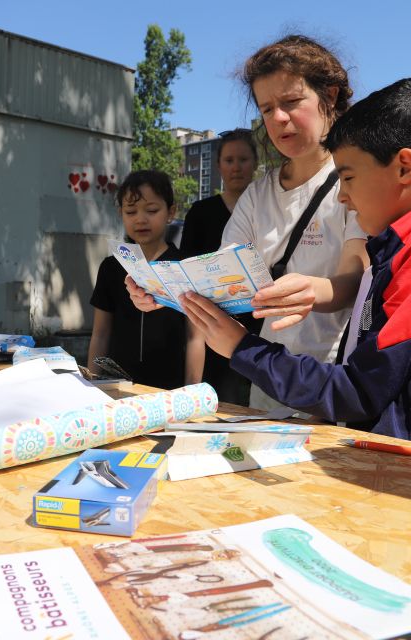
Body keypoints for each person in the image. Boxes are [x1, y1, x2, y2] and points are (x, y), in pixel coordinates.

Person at [180, 78, 411, 454]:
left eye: (348, 177)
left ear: (405, 167)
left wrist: (244, 348)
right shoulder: (399, 250)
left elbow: (359, 391)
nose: (342, 195)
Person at [127, 35, 369, 410]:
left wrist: (313, 291)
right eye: (267, 108)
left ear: (331, 96)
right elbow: (222, 280)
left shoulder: (355, 180)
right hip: (267, 380)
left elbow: (356, 278)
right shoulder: (258, 194)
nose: (278, 119)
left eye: (290, 102)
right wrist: (163, 293)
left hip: (333, 386)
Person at [87, 170, 205, 389]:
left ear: (171, 212)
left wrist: (192, 391)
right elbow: (100, 333)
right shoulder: (111, 267)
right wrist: (91, 383)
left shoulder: (185, 267)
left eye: (151, 210)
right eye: (131, 211)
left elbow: (195, 337)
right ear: (121, 213)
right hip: (116, 386)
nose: (141, 219)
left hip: (171, 389)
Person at [178, 128, 263, 404]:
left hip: (261, 324)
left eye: (243, 159)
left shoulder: (267, 212)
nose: (236, 167)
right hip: (212, 323)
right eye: (228, 160)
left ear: (255, 163)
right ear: (218, 165)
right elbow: (187, 272)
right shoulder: (201, 213)